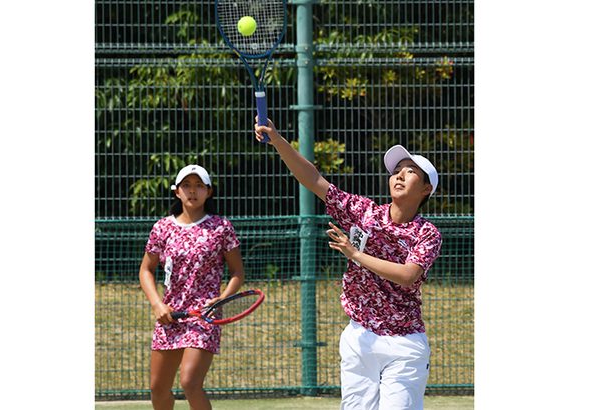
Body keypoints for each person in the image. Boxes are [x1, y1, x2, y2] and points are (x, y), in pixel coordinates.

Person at [254, 119, 442, 410]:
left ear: (427, 188)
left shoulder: (427, 233)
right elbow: (314, 180)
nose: (399, 176)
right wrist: (277, 139)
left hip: (405, 345)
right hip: (359, 337)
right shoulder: (363, 212)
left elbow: (408, 275)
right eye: (395, 171)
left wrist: (355, 255)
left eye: (410, 171)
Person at [139, 164, 245, 410]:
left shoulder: (221, 227)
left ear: (209, 192)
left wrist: (221, 299)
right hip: (169, 316)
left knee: (189, 382)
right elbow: (146, 269)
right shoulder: (162, 228)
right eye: (187, 185)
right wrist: (157, 304)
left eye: (199, 186)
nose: (192, 191)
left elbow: (237, 273)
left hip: (204, 316)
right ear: (177, 191)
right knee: (158, 388)